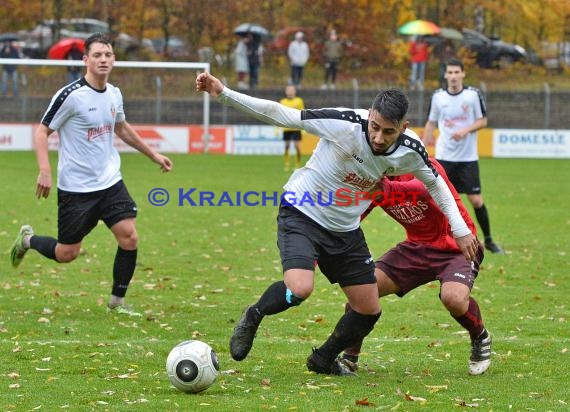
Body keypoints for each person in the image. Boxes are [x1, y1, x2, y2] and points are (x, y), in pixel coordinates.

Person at [195, 71, 479, 376]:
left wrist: (460, 230)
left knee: (368, 309)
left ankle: (323, 359)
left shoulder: (411, 150)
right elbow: (282, 115)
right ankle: (254, 314)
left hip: (344, 229)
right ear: (369, 115)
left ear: (404, 128)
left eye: (389, 132)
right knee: (300, 289)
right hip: (303, 212)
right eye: (374, 127)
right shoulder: (343, 123)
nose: (379, 138)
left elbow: (436, 185)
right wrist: (223, 93)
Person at [9, 33, 173, 316]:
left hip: (110, 181)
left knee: (129, 237)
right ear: (86, 60)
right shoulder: (71, 96)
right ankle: (27, 240)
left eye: (108, 55)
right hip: (76, 188)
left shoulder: (114, 94)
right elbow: (42, 131)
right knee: (66, 254)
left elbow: (121, 128)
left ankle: (117, 302)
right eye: (97, 55)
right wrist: (44, 170)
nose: (103, 60)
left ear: (114, 59)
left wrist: (153, 154)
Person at [339, 158, 491, 376]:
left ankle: (480, 336)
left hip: (458, 246)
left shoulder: (420, 163)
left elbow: (423, 189)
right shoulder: (374, 177)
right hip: (416, 248)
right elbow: (352, 215)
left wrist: (383, 187)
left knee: (454, 299)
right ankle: (349, 358)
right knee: (361, 291)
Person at [422, 58, 504, 254]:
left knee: (475, 200)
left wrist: (466, 130)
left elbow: (483, 120)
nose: (452, 76)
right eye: (449, 73)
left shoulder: (472, 95)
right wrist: (423, 148)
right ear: (445, 75)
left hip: (467, 159)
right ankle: (438, 240)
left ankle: (490, 240)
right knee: (440, 200)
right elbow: (431, 122)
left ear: (463, 74)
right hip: (444, 157)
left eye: (456, 72)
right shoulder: (438, 97)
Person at [279, 84, 305, 171]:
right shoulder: (282, 101)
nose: (290, 92)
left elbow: (302, 112)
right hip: (286, 127)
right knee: (286, 146)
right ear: (286, 91)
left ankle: (297, 164)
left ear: (294, 91)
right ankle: (287, 164)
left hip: (296, 127)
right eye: (288, 90)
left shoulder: (299, 101)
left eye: (291, 90)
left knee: (296, 146)